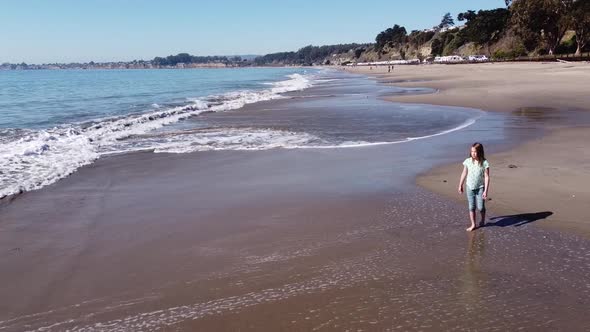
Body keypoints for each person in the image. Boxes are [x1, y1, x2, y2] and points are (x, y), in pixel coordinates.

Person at [458, 142, 490, 231]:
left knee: (480, 207)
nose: (473, 153)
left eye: (475, 152)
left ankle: (483, 220)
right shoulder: (467, 161)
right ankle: (473, 224)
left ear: (480, 152)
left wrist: (485, 191)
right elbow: (464, 173)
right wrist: (460, 184)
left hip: (480, 187)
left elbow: (487, 177)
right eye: (472, 151)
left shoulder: (484, 163)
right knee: (471, 207)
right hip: (469, 187)